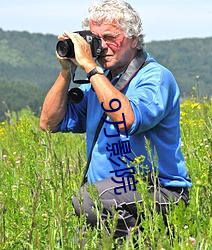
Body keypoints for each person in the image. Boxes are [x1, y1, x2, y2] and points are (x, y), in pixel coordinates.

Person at [40, 0, 192, 245]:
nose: (102, 47)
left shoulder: (154, 77)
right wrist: (66, 70)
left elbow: (127, 120)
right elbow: (49, 123)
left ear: (133, 38)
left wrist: (90, 68)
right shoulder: (98, 83)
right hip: (110, 201)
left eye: (110, 37)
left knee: (87, 200)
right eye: (96, 39)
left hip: (159, 192)